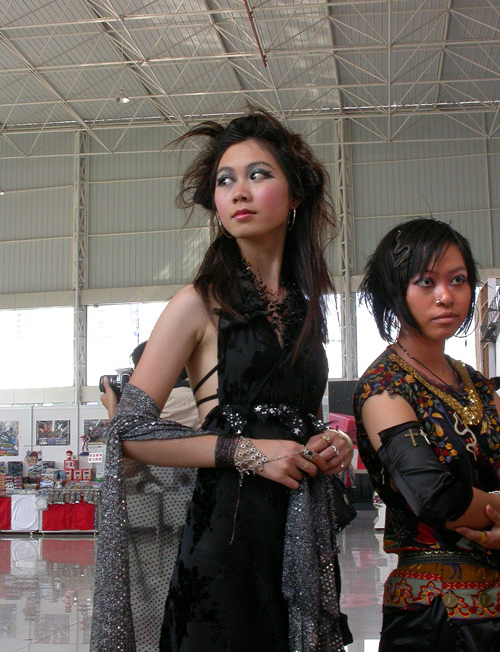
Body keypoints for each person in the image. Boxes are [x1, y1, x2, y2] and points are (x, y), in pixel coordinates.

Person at [91, 111, 354, 652]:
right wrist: (248, 453)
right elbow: (130, 433)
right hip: (222, 548)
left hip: (298, 541)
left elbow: (298, 418)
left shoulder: (307, 310)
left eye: (258, 174)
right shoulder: (196, 304)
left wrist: (333, 440)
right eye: (225, 179)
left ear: (295, 195)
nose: (239, 191)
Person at [353, 218, 500, 651]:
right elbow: (434, 495)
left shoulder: (474, 382)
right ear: (394, 290)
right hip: (435, 616)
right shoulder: (385, 387)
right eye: (425, 281)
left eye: (458, 280)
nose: (446, 296)